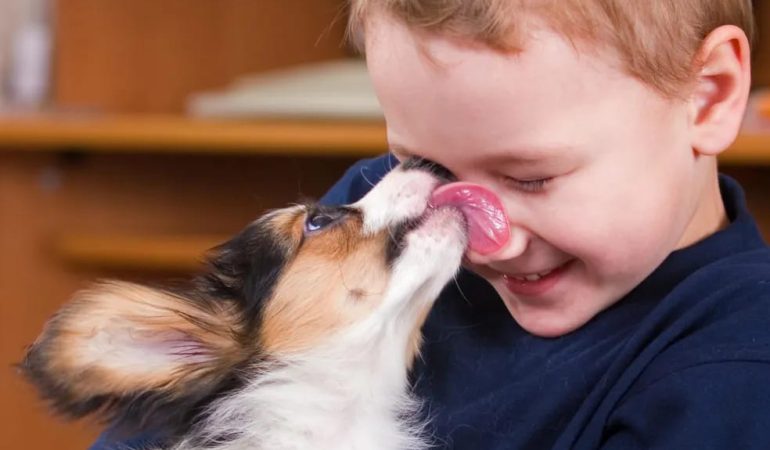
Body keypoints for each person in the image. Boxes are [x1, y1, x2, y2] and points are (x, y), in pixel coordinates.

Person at [93, 1, 770, 448]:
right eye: (426, 164)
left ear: (709, 96)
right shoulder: (389, 219)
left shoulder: (738, 368)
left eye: (532, 178)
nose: (481, 232)